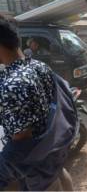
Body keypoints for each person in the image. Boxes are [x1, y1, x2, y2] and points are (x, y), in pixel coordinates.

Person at [0, 16, 74, 191]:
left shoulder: (12, 84)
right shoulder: (39, 65)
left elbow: (21, 142)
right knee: (60, 177)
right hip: (55, 148)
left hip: (37, 163)